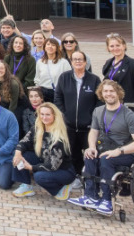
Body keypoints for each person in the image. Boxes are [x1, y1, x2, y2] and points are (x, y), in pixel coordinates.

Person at [68, 79, 134, 216]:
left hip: (128, 152)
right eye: (105, 91)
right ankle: (90, 196)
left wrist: (119, 151)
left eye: (112, 91)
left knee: (106, 159)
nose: (108, 94)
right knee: (89, 155)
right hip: (106, 148)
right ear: (101, 93)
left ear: (118, 93)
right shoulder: (98, 111)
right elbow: (93, 131)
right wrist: (91, 146)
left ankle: (107, 200)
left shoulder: (129, 115)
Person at [11, 103, 76, 200]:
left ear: (54, 116)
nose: (44, 117)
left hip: (63, 171)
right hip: (45, 161)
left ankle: (61, 188)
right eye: (42, 114)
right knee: (20, 154)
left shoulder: (60, 135)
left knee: (39, 176)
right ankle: (26, 186)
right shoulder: (38, 128)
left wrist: (31, 167)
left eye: (48, 115)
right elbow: (24, 142)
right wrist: (18, 153)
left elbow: (52, 166)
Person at [53, 50, 101, 178]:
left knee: (90, 153)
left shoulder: (94, 79)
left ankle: (91, 178)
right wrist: (64, 115)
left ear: (85, 62)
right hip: (69, 126)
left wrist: (92, 117)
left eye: (80, 59)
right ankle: (77, 176)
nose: (78, 62)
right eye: (75, 59)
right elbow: (58, 98)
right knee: (72, 154)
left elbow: (100, 101)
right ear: (71, 62)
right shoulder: (64, 77)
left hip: (88, 127)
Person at [101, 34, 134, 124]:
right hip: (111, 105)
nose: (115, 48)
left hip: (127, 106)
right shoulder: (109, 63)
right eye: (112, 46)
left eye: (118, 45)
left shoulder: (133, 63)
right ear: (108, 48)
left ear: (124, 46)